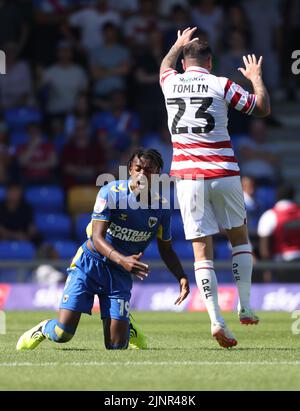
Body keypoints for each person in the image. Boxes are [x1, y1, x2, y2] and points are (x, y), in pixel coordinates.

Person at [160, 27, 270, 348]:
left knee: (200, 251)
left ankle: (215, 319)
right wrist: (255, 77)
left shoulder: (171, 82)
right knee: (239, 237)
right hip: (223, 172)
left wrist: (177, 44)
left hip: (188, 177)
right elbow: (260, 108)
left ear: (183, 64)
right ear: (209, 62)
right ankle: (246, 304)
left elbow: (163, 68)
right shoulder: (221, 84)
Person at [16, 148, 190, 351]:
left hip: (119, 274)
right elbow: (97, 238)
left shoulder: (161, 208)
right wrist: (123, 259)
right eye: (138, 169)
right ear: (130, 170)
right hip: (89, 264)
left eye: (149, 171)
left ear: (159, 174)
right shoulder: (111, 193)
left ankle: (127, 327)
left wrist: (181, 276)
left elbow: (166, 249)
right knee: (63, 334)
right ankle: (44, 328)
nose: (143, 174)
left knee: (116, 347)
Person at [257, 185, 300, 282]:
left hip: (282, 265)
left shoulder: (269, 215)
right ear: (293, 196)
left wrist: (267, 270)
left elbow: (264, 250)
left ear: (277, 196)